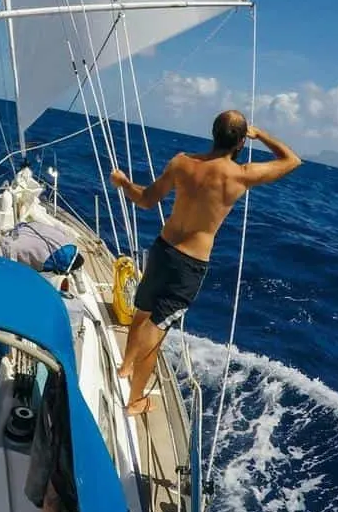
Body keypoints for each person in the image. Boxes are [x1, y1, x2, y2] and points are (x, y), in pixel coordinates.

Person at [109, 110, 301, 415]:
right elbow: (291, 160)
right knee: (155, 332)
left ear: (213, 133)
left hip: (162, 248)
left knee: (142, 311)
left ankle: (124, 368)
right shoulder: (240, 176)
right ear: (239, 142)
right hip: (189, 265)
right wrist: (260, 134)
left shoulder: (182, 161)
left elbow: (146, 200)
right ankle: (135, 401)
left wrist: (122, 182)